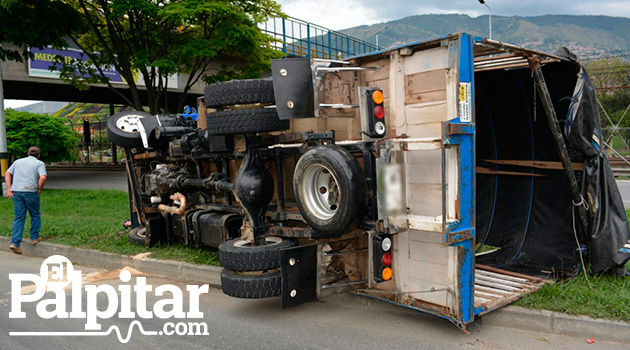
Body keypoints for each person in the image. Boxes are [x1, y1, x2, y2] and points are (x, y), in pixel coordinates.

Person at [5, 146, 47, 255]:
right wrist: (39, 188)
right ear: (38, 155)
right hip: (30, 192)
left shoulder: (17, 162)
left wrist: (9, 189)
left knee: (19, 218)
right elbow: (43, 177)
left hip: (17, 192)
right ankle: (34, 237)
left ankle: (15, 243)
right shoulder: (39, 163)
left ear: (28, 153)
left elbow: (7, 173)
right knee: (35, 214)